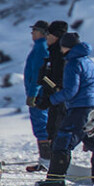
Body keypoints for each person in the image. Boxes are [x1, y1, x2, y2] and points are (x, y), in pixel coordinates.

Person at [34, 32, 94, 186]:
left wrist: (49, 100)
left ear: (65, 46)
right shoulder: (89, 61)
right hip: (93, 107)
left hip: (79, 108)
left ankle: (55, 180)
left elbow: (70, 91)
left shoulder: (73, 63)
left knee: (62, 141)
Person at [37, 20, 70, 160]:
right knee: (52, 130)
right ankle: (53, 164)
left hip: (61, 100)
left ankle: (58, 169)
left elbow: (60, 82)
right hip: (54, 99)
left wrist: (46, 83)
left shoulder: (61, 55)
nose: (46, 37)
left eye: (48, 34)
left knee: (59, 132)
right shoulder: (52, 52)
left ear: (56, 35)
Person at [23, 20, 50, 171]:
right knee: (42, 125)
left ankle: (46, 161)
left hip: (39, 94)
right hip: (39, 92)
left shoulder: (41, 47)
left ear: (42, 32)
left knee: (41, 125)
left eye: (35, 30)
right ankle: (46, 160)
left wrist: (33, 93)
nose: (32, 33)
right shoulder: (40, 46)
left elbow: (38, 73)